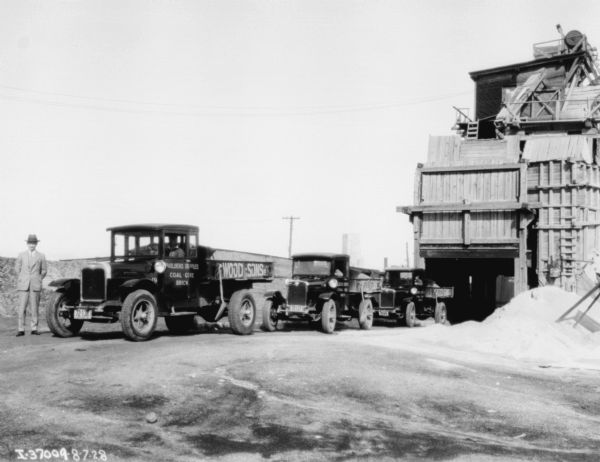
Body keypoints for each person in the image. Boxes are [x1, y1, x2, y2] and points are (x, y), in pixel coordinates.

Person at [14, 234, 47, 336]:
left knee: (34, 307)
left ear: (36, 244)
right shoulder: (21, 255)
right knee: (22, 307)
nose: (32, 245)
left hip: (35, 285)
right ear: (27, 244)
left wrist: (39, 279)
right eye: (30, 243)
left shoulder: (41, 256)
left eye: (33, 243)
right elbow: (17, 268)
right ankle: (21, 329)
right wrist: (22, 278)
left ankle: (34, 328)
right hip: (23, 285)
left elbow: (44, 270)